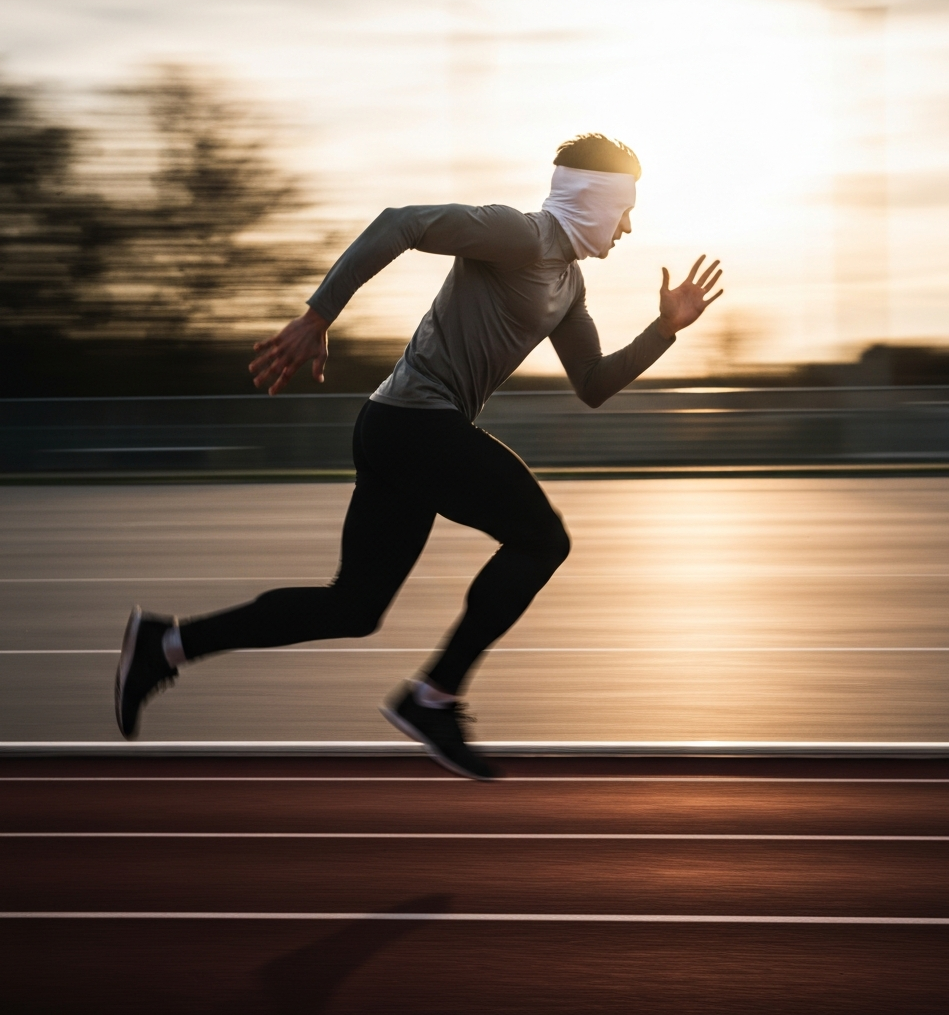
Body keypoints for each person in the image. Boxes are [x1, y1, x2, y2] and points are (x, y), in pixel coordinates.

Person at [114, 133, 723, 779]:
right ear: (595, 200)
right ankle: (435, 697)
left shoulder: (566, 286)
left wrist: (663, 331)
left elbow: (594, 384)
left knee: (354, 608)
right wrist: (317, 318)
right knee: (543, 540)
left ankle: (166, 643)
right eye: (624, 208)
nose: (628, 226)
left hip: (401, 431)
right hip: (413, 426)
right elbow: (399, 224)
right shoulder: (518, 236)